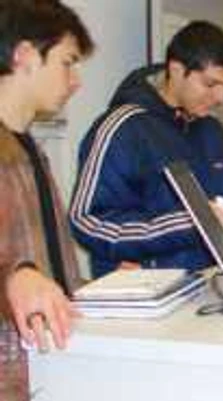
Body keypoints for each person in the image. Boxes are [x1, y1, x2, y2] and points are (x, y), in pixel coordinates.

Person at [68, 21, 223, 278]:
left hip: (206, 286)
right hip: (141, 290)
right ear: (176, 70)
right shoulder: (123, 127)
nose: (220, 97)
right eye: (210, 84)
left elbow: (220, 213)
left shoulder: (213, 132)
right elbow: (86, 221)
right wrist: (187, 222)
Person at [0, 0, 94, 399]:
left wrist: (107, 291)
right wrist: (12, 276)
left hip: (44, 367)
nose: (75, 81)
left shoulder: (29, 149)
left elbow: (49, 263)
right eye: (67, 63)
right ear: (24, 56)